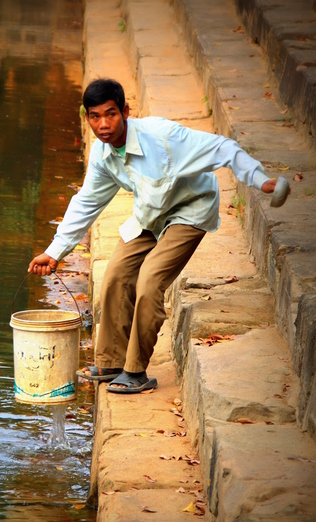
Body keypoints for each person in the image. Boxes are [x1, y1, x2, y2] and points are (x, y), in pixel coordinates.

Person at [28, 78, 289, 394]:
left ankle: (136, 372)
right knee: (114, 276)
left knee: (150, 280)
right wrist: (55, 252)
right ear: (87, 118)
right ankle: (110, 361)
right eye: (94, 116)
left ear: (125, 111)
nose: (103, 124)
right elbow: (86, 202)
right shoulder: (103, 155)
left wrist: (260, 180)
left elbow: (223, 147)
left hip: (190, 210)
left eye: (110, 114)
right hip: (151, 214)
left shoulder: (164, 137)